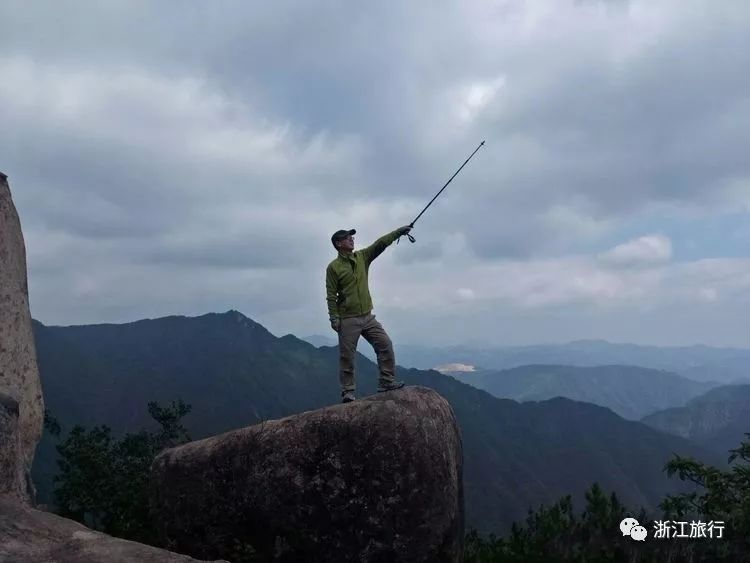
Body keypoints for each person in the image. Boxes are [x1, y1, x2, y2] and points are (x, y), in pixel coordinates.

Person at [326, 226, 412, 403]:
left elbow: (380, 243)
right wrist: (334, 318)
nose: (351, 239)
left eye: (351, 237)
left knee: (385, 344)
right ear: (338, 244)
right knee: (347, 356)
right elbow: (331, 294)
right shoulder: (333, 268)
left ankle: (386, 382)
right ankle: (348, 392)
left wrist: (399, 232)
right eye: (347, 237)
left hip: (367, 316)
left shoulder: (362, 257)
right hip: (347, 318)